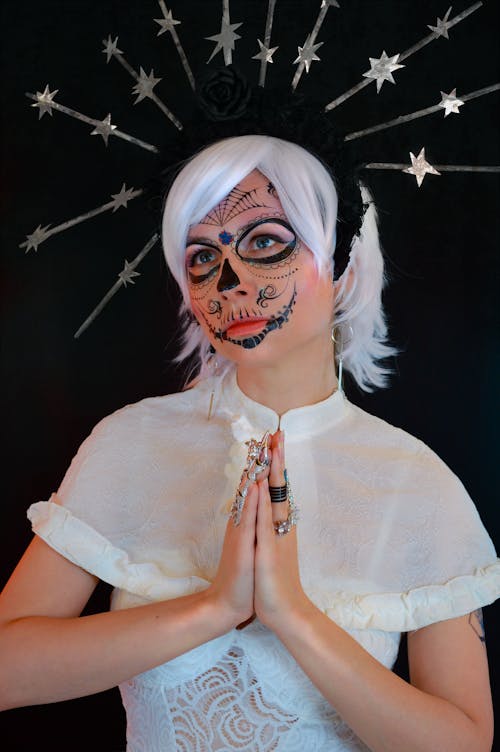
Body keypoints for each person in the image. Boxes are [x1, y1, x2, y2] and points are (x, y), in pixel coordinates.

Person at [0, 135, 498, 752]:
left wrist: (292, 614)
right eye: (202, 256)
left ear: (340, 266)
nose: (228, 283)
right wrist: (214, 608)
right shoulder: (131, 442)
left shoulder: (415, 482)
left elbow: (464, 743)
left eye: (265, 242)